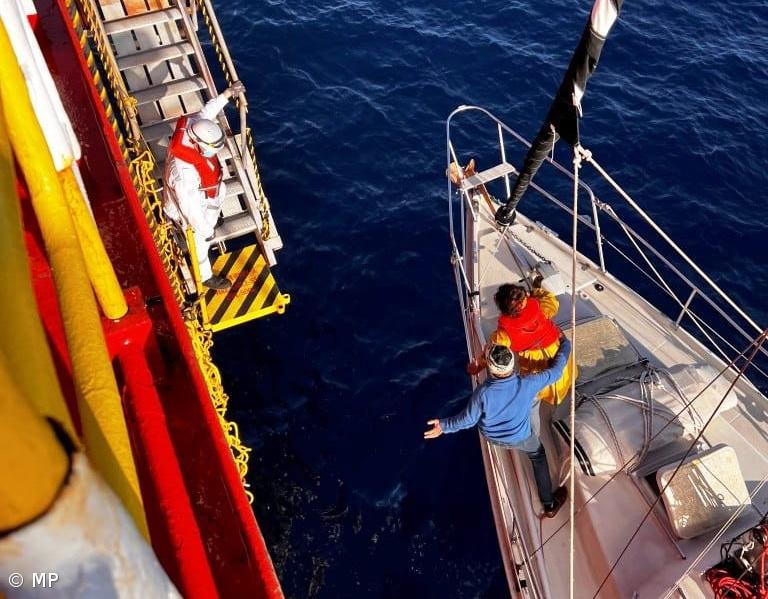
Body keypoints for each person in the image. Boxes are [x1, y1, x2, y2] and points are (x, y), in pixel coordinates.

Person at [424, 338, 572, 518]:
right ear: (512, 365)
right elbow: (556, 371)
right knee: (538, 456)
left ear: (490, 369)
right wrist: (566, 344)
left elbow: (467, 420)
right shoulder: (528, 383)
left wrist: (444, 426)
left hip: (492, 438)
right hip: (522, 437)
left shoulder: (482, 394)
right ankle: (549, 505)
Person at [163, 80, 245, 290]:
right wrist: (206, 230)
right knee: (200, 244)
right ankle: (205, 276)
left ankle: (209, 222)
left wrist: (227, 94)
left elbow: (207, 112)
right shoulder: (183, 172)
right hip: (192, 208)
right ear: (199, 144)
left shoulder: (194, 128)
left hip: (208, 194)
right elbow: (190, 208)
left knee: (216, 204)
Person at [491, 275, 576, 404]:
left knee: (541, 388)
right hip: (561, 359)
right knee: (566, 376)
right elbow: (551, 300)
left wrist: (478, 366)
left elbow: (494, 351)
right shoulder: (541, 308)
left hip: (537, 372)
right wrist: (536, 290)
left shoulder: (503, 334)